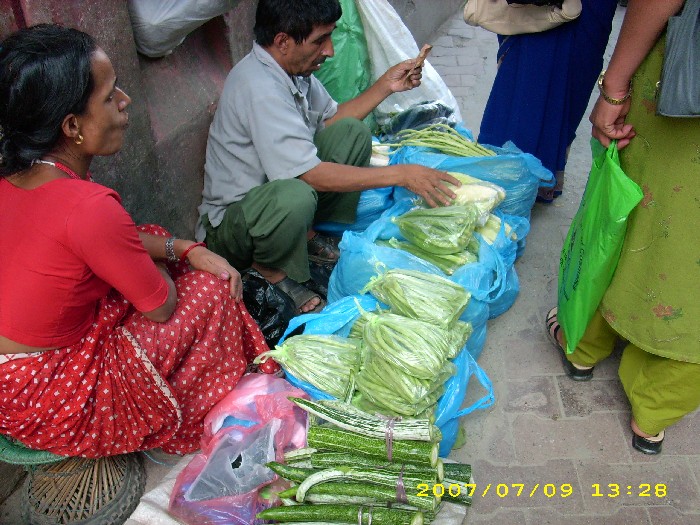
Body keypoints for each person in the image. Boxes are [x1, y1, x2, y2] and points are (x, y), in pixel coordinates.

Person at [0, 24, 273, 460]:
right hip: (59, 399)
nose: (125, 101)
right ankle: (185, 416)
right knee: (210, 289)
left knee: (156, 239)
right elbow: (161, 307)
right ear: (72, 126)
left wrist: (184, 248)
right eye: (110, 97)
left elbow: (111, 240)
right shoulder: (88, 207)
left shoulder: (18, 180)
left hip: (13, 386)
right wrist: (169, 261)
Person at [196, 0, 459, 313]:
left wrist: (386, 86)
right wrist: (402, 174)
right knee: (295, 195)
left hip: (276, 201)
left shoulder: (292, 71)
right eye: (320, 40)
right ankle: (268, 270)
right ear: (283, 41)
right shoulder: (259, 87)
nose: (330, 51)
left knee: (351, 133)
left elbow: (332, 120)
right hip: (234, 227)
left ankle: (307, 237)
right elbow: (309, 175)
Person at [546, 0, 699, 454]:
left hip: (686, 89)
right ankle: (655, 408)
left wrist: (613, 88)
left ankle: (583, 343)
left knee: (637, 208)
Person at [478, 0, 618, 203]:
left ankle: (541, 176)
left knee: (575, 75)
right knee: (526, 71)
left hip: (589, 9)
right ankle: (502, 178)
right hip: (536, 8)